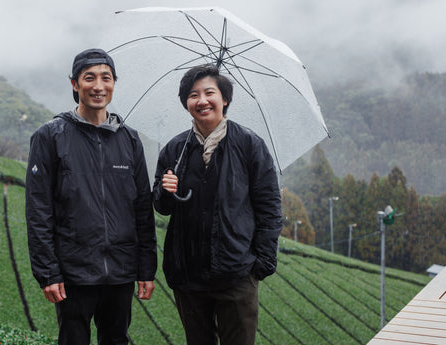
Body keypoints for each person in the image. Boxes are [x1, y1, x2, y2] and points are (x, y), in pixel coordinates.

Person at [26, 48, 157, 345]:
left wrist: (146, 268)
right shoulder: (51, 136)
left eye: (106, 78)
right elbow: (38, 210)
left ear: (114, 83)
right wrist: (48, 272)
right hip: (74, 271)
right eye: (90, 78)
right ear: (75, 84)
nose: (99, 86)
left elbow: (141, 207)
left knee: (117, 339)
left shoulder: (130, 140)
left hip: (121, 271)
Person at [153, 64, 282, 345]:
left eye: (209, 92)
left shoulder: (249, 145)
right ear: (186, 103)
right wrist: (165, 191)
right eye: (193, 95)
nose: (201, 101)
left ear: (224, 98)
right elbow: (162, 207)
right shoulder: (175, 150)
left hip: (236, 273)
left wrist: (261, 264)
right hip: (188, 274)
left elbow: (269, 206)